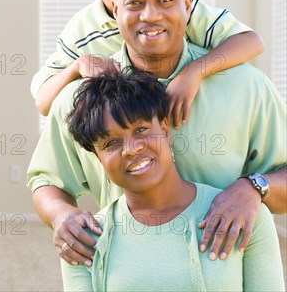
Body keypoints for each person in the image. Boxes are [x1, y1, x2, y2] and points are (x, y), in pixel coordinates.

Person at [27, 0, 287, 268]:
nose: (150, 15)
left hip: (223, 272)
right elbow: (46, 181)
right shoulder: (80, 98)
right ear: (115, 9)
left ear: (187, 4)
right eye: (134, 3)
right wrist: (61, 214)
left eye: (165, 0)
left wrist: (254, 187)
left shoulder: (248, 86)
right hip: (129, 272)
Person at [61, 69, 285, 291]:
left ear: (165, 130)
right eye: (110, 143)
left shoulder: (242, 214)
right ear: (99, 159)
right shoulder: (83, 241)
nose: (131, 149)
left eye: (141, 129)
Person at [32, 0, 264, 132]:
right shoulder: (81, 30)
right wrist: (77, 66)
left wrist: (193, 72)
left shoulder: (178, 8)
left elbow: (251, 42)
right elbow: (43, 103)